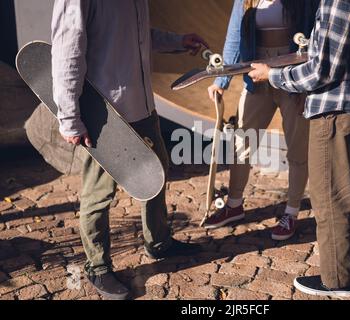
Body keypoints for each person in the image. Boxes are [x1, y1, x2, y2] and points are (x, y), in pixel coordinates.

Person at [51, 0, 208, 300]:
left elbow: (136, 33)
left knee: (157, 173)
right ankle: (98, 266)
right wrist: (70, 118)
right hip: (105, 114)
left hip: (142, 107)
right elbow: (66, 49)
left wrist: (177, 42)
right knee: (99, 194)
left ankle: (158, 242)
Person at [249, 0, 350, 297]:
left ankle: (337, 281)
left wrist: (273, 76)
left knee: (330, 195)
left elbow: (322, 71)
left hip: (335, 109)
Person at [205, 0, 319, 241]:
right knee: (242, 143)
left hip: (293, 80)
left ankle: (292, 212)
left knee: (298, 149)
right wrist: (221, 81)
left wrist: (308, 86)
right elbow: (234, 38)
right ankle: (234, 205)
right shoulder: (246, 1)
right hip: (256, 79)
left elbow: (315, 34)